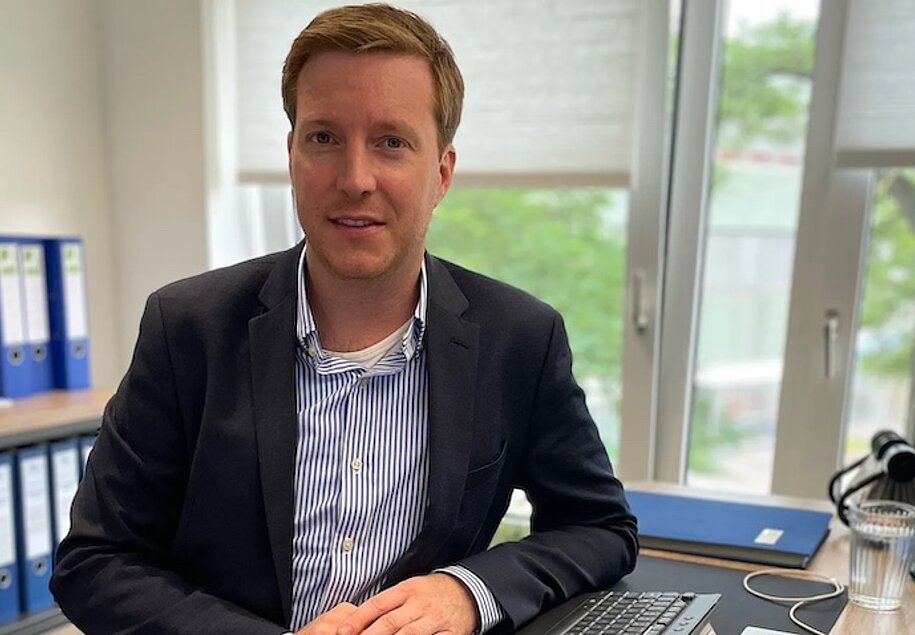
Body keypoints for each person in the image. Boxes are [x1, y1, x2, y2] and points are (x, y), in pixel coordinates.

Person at [50, 4, 637, 634]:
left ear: (441, 173)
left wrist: (469, 591)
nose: (355, 179)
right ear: (292, 156)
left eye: (391, 143)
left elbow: (599, 526)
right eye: (324, 138)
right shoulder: (187, 328)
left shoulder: (518, 339)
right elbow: (95, 559)